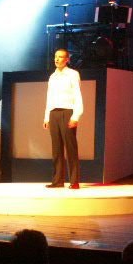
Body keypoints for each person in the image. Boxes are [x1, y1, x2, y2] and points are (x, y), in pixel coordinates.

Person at [43, 49, 83, 189]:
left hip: (67, 112)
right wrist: (46, 117)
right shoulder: (52, 76)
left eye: (60, 57)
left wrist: (76, 116)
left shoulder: (72, 74)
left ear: (67, 59)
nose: (57, 59)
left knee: (71, 148)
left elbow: (77, 95)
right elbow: (49, 97)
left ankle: (74, 181)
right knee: (56, 149)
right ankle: (58, 180)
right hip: (54, 113)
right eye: (56, 56)